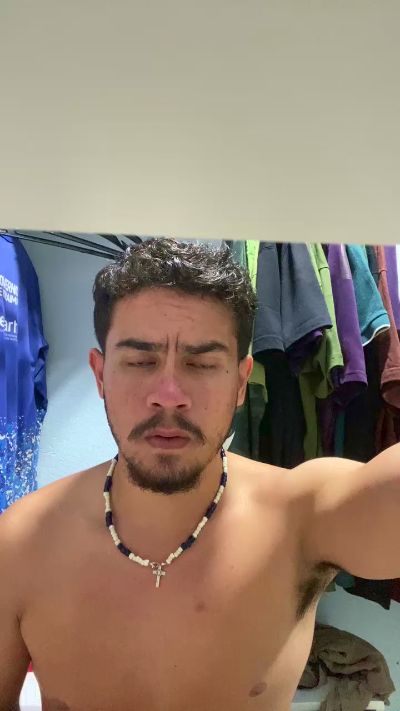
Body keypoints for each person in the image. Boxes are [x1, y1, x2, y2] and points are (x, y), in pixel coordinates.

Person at [0, 238, 399, 711]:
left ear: (240, 381)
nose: (169, 394)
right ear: (100, 375)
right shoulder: (20, 543)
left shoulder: (302, 518)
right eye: (140, 361)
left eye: (202, 363)